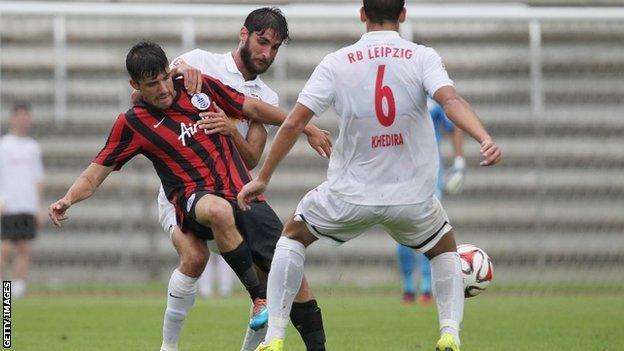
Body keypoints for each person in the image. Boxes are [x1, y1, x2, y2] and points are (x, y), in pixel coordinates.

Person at [237, 1, 502, 350]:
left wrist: (264, 177)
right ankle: (449, 332)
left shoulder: (337, 61)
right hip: (412, 198)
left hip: (349, 195)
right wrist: (483, 138)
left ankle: (274, 338)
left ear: (362, 14)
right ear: (403, 14)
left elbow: (293, 123)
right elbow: (450, 101)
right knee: (443, 249)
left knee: (291, 237)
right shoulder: (422, 56)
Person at [48, 41, 331, 350]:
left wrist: (305, 126)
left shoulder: (199, 85)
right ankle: (254, 299)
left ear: (171, 71)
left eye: (164, 78)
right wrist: (68, 199)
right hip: (193, 199)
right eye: (151, 84)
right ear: (135, 86)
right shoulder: (132, 123)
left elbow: (250, 108)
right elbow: (94, 174)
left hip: (242, 193)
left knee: (290, 273)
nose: (163, 89)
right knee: (212, 224)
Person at [155, 8, 327, 351]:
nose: (267, 53)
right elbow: (154, 87)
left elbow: (250, 158)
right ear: (243, 34)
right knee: (194, 257)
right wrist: (179, 69)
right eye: (262, 42)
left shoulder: (267, 97)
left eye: (275, 48)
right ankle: (168, 347)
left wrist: (230, 129)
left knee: (276, 276)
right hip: (183, 193)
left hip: (232, 194)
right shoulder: (199, 61)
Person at [397, 97, 465, 305]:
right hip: (399, 173)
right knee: (400, 228)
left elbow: (454, 126)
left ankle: (427, 285)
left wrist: (459, 161)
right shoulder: (398, 96)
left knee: (429, 227)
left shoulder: (434, 101)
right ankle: (408, 285)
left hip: (430, 174)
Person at [0, 104, 45, 299]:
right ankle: (4, 287)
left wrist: (38, 206)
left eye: (26, 116)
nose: (22, 120)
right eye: (19, 116)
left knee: (23, 247)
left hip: (27, 204)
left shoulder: (32, 147)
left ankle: (18, 287)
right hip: (8, 203)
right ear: (12, 118)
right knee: (4, 248)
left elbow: (38, 178)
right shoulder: (4, 144)